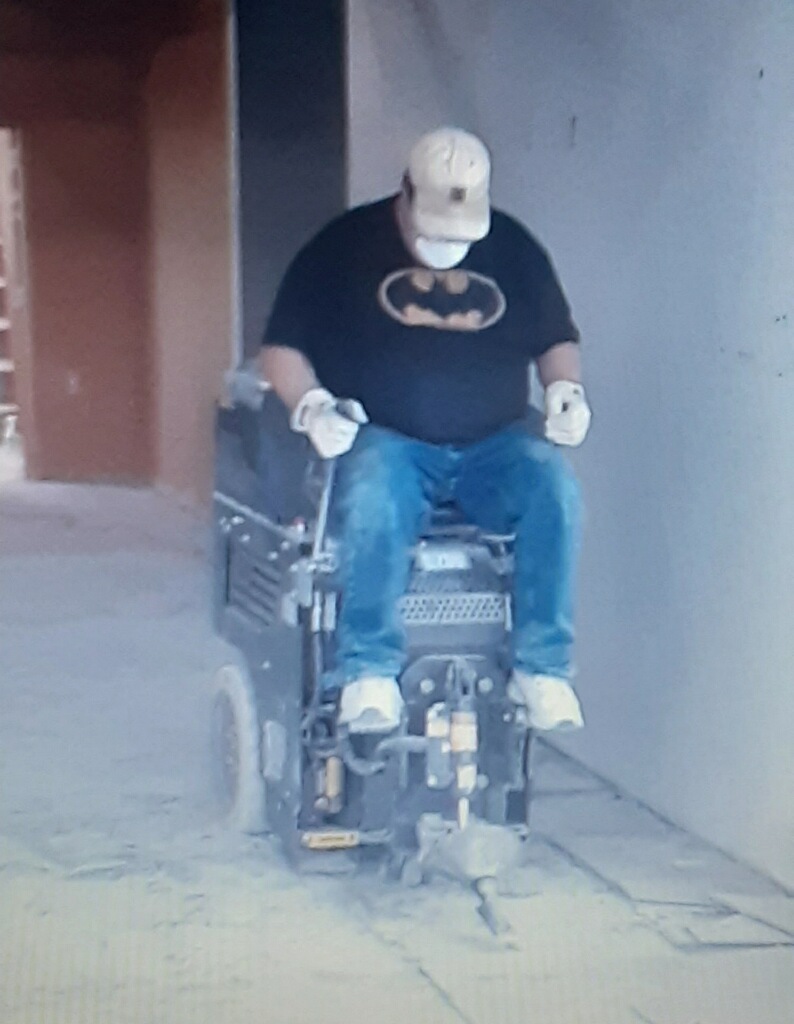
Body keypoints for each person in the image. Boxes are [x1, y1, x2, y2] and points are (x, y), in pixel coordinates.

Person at [260, 126, 591, 737]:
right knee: (374, 497)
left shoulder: (514, 249)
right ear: (407, 194)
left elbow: (555, 337)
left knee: (555, 490)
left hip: (496, 444)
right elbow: (282, 347)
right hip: (391, 441)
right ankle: (368, 671)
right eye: (435, 234)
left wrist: (565, 390)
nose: (447, 247)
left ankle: (541, 668)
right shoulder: (342, 246)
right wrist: (311, 406)